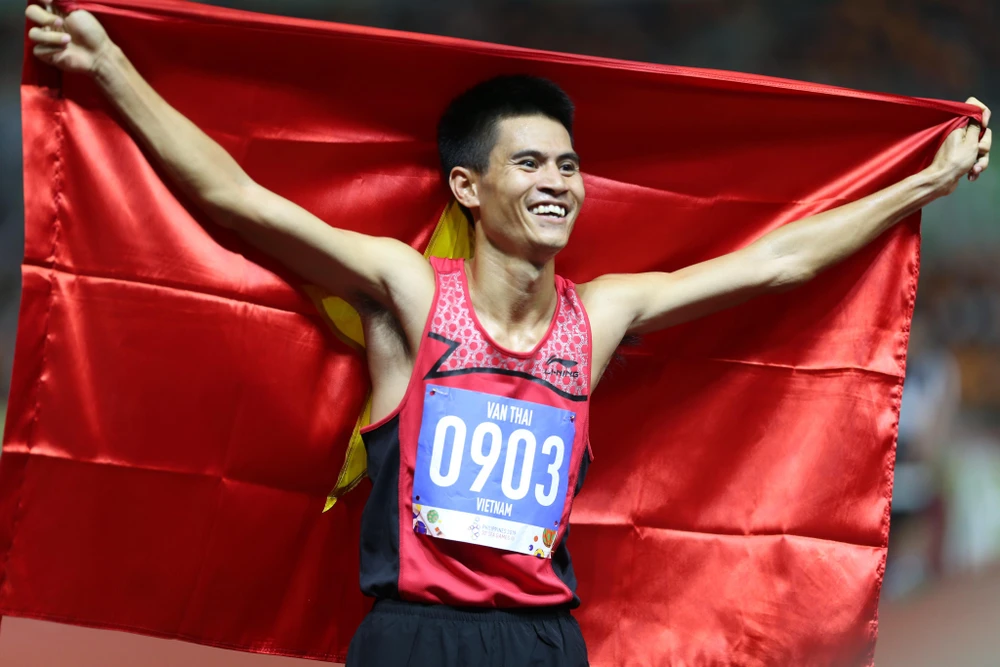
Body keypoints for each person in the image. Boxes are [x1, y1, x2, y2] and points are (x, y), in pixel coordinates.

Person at [24, 5, 991, 667]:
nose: (557, 182)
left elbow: (779, 263)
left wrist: (922, 183)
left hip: (542, 641)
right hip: (415, 636)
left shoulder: (598, 313)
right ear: (468, 186)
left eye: (568, 165)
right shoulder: (411, 293)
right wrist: (113, 71)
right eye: (528, 163)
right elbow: (238, 199)